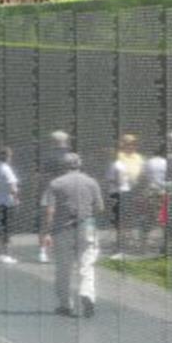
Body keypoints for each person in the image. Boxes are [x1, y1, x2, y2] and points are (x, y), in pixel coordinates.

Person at [42, 153, 104, 318]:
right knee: (87, 264)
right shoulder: (91, 182)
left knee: (63, 268)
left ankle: (65, 304)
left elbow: (50, 210)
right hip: (87, 226)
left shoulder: (55, 184)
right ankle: (87, 293)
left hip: (62, 229)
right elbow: (100, 207)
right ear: (79, 164)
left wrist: (48, 232)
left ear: (63, 165)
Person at [39, 131, 74, 263]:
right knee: (50, 219)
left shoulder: (71, 158)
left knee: (58, 221)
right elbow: (43, 176)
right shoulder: (50, 158)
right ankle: (44, 251)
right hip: (55, 191)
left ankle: (54, 251)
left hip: (62, 191)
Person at [0, 147, 20, 264]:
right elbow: (13, 187)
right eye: (10, 156)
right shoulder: (7, 169)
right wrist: (16, 199)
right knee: (8, 230)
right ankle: (7, 255)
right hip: (7, 203)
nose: (11, 158)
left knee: (1, 230)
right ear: (7, 157)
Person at [105, 148, 132, 260]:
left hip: (118, 193)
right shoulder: (122, 164)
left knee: (118, 221)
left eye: (109, 152)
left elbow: (116, 179)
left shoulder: (115, 165)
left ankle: (120, 248)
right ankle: (122, 245)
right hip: (124, 193)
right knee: (121, 221)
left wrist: (114, 183)